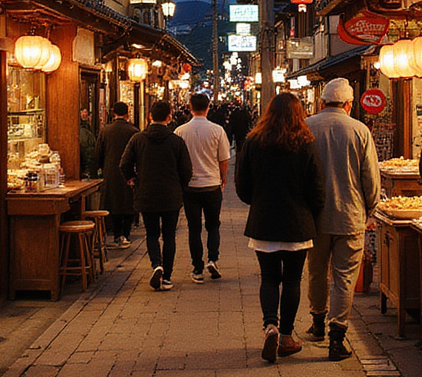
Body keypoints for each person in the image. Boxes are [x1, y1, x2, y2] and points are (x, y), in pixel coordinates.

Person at [236, 92, 325, 363]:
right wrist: (313, 212)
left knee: (269, 277)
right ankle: (286, 336)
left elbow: (242, 186)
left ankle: (270, 325)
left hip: (264, 220)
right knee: (292, 279)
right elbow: (316, 187)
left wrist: (260, 201)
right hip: (297, 221)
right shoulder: (305, 142)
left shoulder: (253, 141)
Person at [304, 77, 381, 361]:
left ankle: (316, 322)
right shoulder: (359, 130)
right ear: (348, 104)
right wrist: (372, 208)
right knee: (344, 277)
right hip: (350, 215)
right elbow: (370, 177)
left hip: (314, 216)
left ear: (322, 102)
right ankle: (337, 335)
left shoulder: (308, 127)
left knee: (316, 270)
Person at [119, 100, 192, 291]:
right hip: (170, 195)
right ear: (169, 117)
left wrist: (132, 179)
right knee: (169, 236)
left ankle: (156, 264)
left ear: (150, 116)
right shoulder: (176, 141)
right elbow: (187, 170)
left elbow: (124, 164)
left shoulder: (138, 139)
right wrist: (180, 186)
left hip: (147, 193)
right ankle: (167, 277)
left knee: (151, 233)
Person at [175, 93, 230, 282]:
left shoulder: (180, 131)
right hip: (212, 184)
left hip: (190, 187)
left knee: (194, 228)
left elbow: (176, 160)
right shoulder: (217, 130)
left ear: (190, 107)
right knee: (213, 225)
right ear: (208, 107)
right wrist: (223, 179)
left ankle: (197, 268)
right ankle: (213, 259)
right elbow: (224, 159)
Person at [95, 102, 138, 246]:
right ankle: (125, 234)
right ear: (127, 113)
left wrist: (100, 169)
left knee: (113, 204)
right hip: (128, 173)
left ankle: (116, 234)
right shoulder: (133, 131)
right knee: (127, 203)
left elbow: (98, 154)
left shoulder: (105, 131)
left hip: (111, 172)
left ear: (113, 113)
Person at [79, 107, 98, 179]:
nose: (85, 114)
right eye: (83, 112)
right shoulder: (83, 130)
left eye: (86, 113)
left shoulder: (88, 128)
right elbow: (86, 150)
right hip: (87, 164)